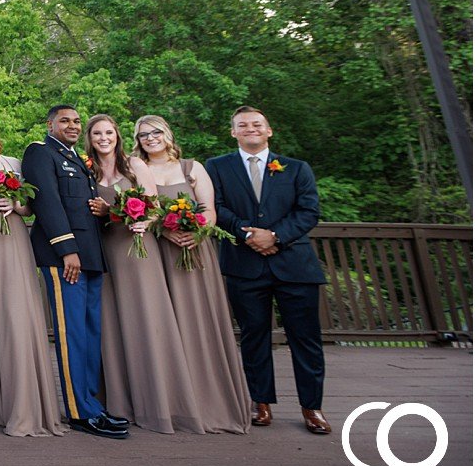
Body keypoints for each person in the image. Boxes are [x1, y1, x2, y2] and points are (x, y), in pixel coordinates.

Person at [205, 106, 330, 434]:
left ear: (269, 130)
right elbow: (215, 207)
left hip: (295, 266)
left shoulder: (296, 168)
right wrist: (248, 234)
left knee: (305, 339)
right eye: (242, 125)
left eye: (257, 124)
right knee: (253, 336)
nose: (250, 129)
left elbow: (309, 211)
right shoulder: (216, 167)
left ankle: (312, 407)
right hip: (244, 266)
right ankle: (260, 403)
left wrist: (275, 236)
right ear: (233, 132)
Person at [134, 114, 251, 434]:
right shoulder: (136, 169)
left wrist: (197, 232)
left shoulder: (192, 167)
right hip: (160, 254)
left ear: (167, 134)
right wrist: (165, 231)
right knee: (166, 327)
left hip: (196, 253)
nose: (150, 138)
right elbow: (142, 208)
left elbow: (208, 209)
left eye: (155, 132)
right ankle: (175, 403)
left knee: (199, 323)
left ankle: (211, 401)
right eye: (143, 135)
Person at [88, 113, 202, 434]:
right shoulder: (88, 169)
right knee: (113, 323)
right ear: (90, 138)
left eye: (109, 132)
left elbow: (152, 206)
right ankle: (119, 403)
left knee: (148, 320)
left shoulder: (135, 166)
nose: (103, 138)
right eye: (97, 133)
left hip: (138, 250)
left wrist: (138, 219)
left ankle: (159, 404)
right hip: (107, 252)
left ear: (118, 135)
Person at [22, 103, 129, 440]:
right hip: (65, 258)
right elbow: (48, 202)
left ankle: (92, 405)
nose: (72, 125)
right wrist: (67, 249)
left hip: (91, 255)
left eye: (76, 121)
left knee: (90, 332)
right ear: (50, 123)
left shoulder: (75, 158)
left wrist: (102, 209)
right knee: (72, 336)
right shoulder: (40, 152)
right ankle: (79, 411)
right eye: (64, 120)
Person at [0, 108, 66, 437]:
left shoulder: (15, 164)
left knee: (19, 316)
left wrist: (15, 204)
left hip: (14, 241)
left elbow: (32, 206)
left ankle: (26, 402)